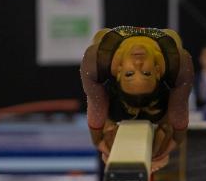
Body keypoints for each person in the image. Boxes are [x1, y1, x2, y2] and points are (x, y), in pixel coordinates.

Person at [80, 26, 194, 172]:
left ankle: (157, 123)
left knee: (101, 36)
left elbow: (96, 107)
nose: (138, 64)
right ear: (157, 71)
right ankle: (160, 123)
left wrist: (99, 141)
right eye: (146, 73)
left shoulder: (97, 59)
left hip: (111, 41)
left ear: (119, 71)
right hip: (165, 45)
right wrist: (172, 144)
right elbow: (179, 118)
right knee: (172, 37)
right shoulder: (177, 61)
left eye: (130, 74)